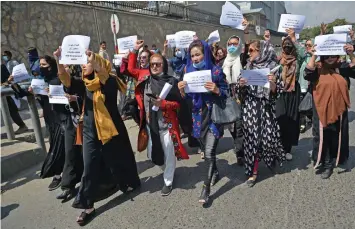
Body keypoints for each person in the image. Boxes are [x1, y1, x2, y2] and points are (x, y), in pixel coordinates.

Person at [61, 50, 140, 226]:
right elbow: (66, 81)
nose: (83, 65)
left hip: (111, 129)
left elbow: (104, 77)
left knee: (119, 158)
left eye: (87, 62)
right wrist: (60, 61)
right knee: (89, 166)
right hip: (90, 131)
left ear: (97, 65)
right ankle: (87, 205)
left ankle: (128, 182)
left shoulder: (109, 81)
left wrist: (95, 61)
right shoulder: (84, 83)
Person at [178, 40, 228, 204]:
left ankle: (206, 189)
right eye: (192, 55)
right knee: (207, 151)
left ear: (204, 54)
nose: (195, 58)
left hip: (213, 116)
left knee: (208, 152)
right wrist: (181, 90)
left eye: (198, 54)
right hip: (198, 117)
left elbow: (226, 93)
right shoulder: (188, 72)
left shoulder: (215, 72)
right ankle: (215, 172)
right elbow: (186, 98)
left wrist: (217, 90)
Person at [135, 52, 189, 196]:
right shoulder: (145, 81)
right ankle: (168, 170)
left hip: (167, 125)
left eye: (158, 64)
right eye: (152, 64)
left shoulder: (171, 81)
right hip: (151, 126)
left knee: (169, 154)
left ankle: (168, 181)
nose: (154, 66)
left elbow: (178, 105)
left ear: (163, 65)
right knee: (154, 155)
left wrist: (163, 103)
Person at [236, 38, 285, 187]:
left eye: (252, 50)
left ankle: (271, 159)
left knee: (268, 137)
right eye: (248, 50)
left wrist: (272, 83)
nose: (248, 53)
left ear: (262, 51)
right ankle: (253, 171)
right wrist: (241, 85)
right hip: (250, 108)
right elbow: (239, 93)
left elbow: (278, 92)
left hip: (266, 108)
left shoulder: (274, 67)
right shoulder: (248, 66)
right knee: (252, 141)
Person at [305, 43, 354, 179]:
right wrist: (314, 55)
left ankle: (332, 161)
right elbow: (307, 74)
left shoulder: (341, 68)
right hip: (320, 109)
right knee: (321, 136)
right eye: (327, 55)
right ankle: (324, 161)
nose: (330, 58)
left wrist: (351, 54)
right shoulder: (318, 68)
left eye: (333, 55)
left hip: (339, 109)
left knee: (335, 135)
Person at [34, 55, 65, 191]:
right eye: (40, 65)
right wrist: (38, 94)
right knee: (55, 145)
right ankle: (58, 175)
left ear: (51, 66)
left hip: (60, 118)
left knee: (62, 147)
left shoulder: (58, 79)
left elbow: (64, 97)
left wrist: (52, 92)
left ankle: (62, 175)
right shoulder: (43, 80)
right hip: (50, 119)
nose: (41, 68)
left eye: (44, 65)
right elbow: (44, 103)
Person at [276, 29, 305, 161]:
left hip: (294, 92)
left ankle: (287, 149)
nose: (287, 47)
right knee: (281, 118)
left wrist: (293, 38)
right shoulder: (279, 59)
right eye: (285, 45)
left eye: (289, 45)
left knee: (292, 121)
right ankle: (279, 146)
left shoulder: (297, 58)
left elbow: (303, 53)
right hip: (281, 92)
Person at [1, 64, 28, 134]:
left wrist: (7, 81)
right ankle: (22, 125)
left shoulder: (1, 67)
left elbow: (7, 81)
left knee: (11, 109)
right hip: (4, 91)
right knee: (11, 108)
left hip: (4, 92)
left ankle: (22, 126)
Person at [298, 39, 314, 133]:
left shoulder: (316, 57)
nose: (307, 47)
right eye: (306, 45)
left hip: (311, 86)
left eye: (309, 45)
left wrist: (313, 55)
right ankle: (302, 124)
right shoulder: (303, 57)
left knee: (310, 105)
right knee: (301, 107)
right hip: (302, 85)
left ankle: (312, 118)